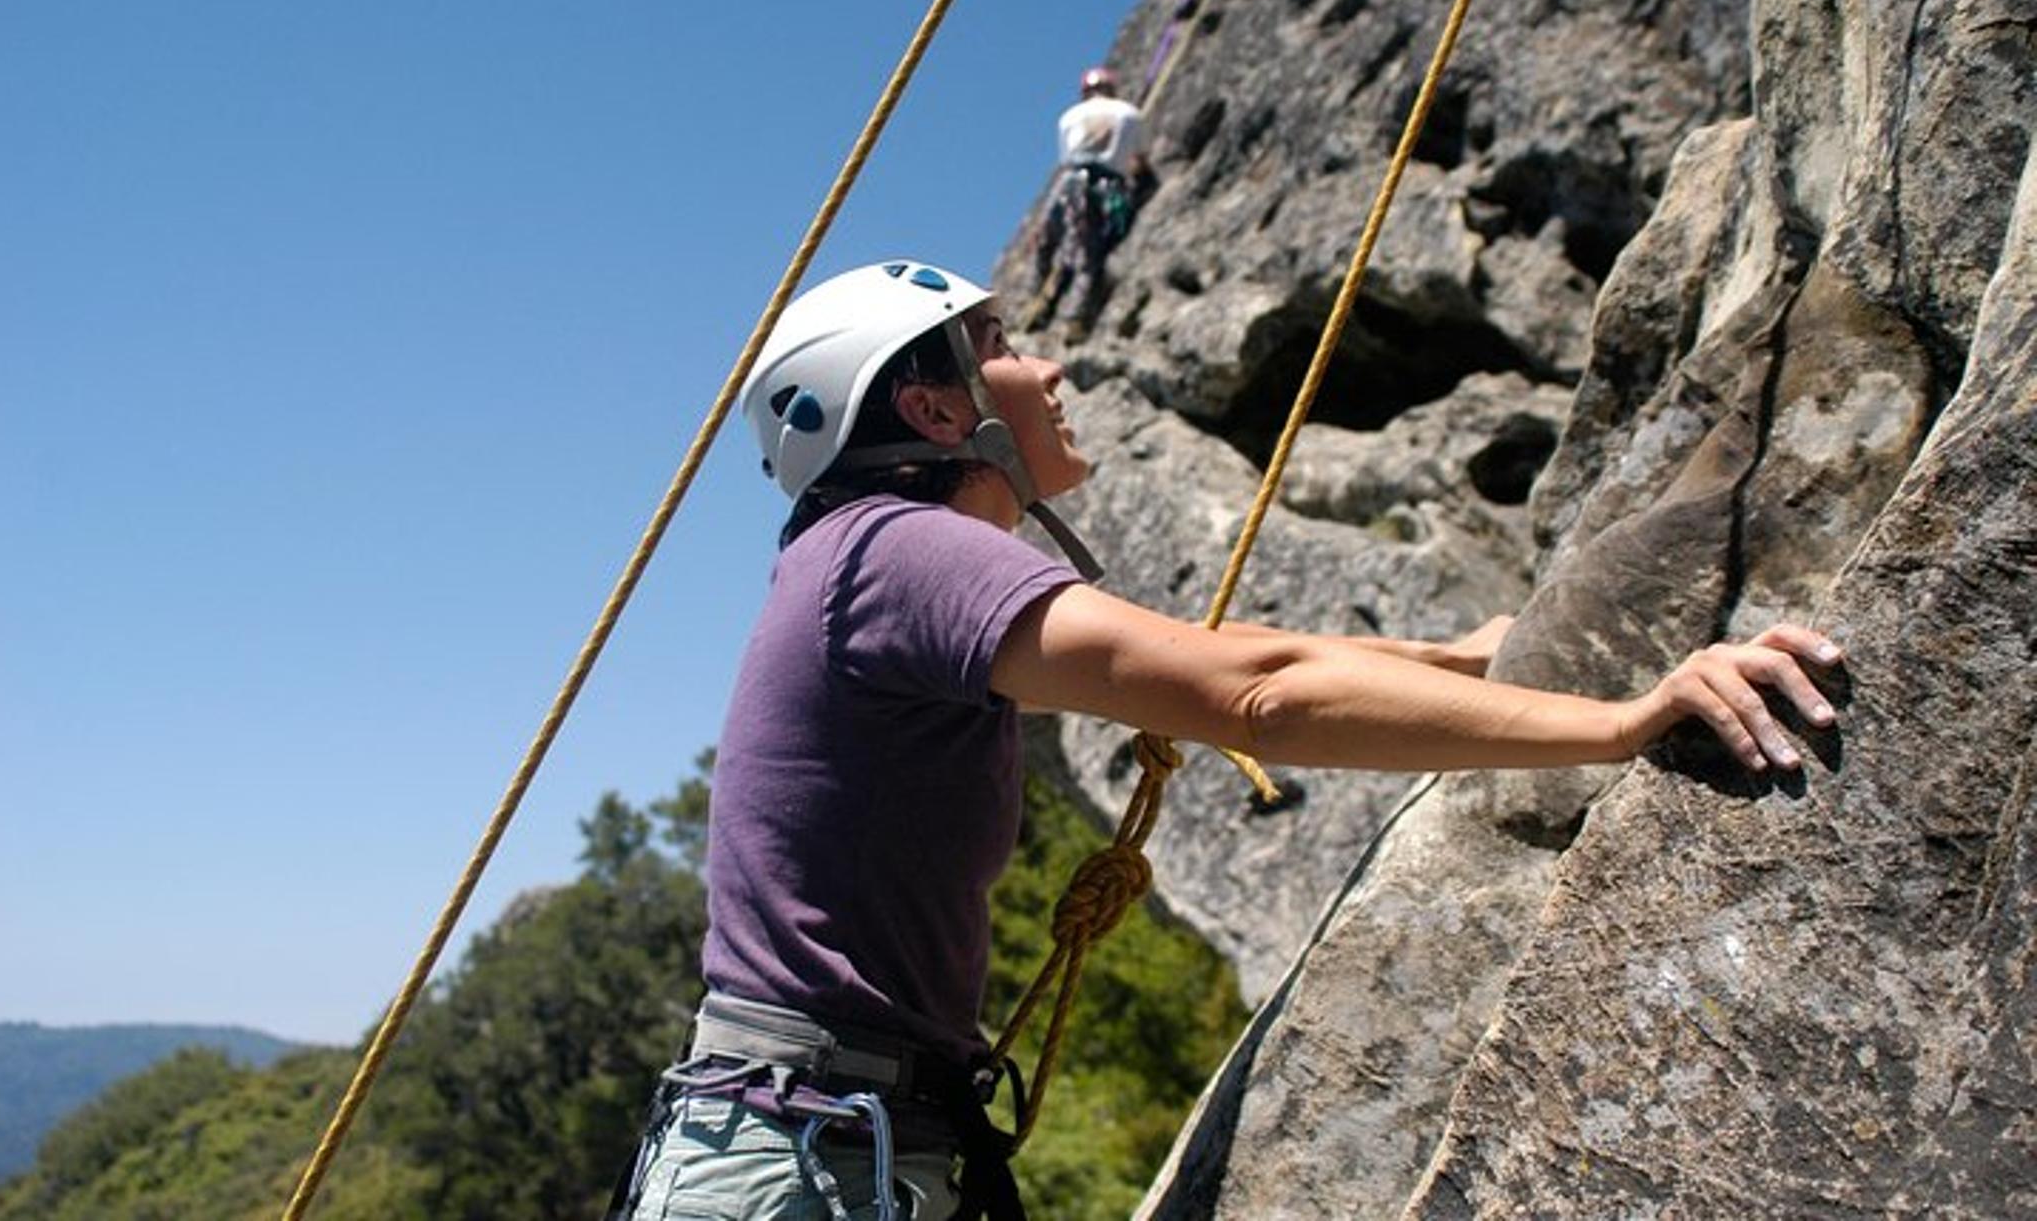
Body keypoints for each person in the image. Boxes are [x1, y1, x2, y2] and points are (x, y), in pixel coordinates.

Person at [606, 259, 1844, 1221]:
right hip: (810, 1158)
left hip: (815, 1143)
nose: (1043, 367)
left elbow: (1214, 658)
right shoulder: (899, 550)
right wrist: (1622, 725)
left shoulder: (863, 563)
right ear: (937, 410)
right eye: (1000, 347)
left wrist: (1451, 660)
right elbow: (1251, 694)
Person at [1034, 67, 1157, 341]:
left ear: (1085, 91)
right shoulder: (1129, 114)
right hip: (1106, 186)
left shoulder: (1069, 117)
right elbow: (1140, 161)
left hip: (1068, 184)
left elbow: (1066, 159)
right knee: (1089, 254)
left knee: (1046, 242)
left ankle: (1039, 295)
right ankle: (1075, 317)